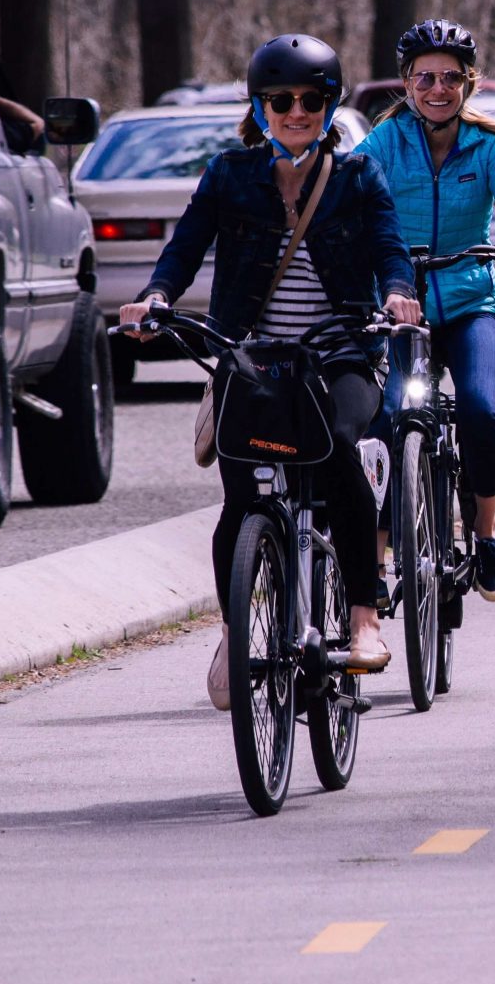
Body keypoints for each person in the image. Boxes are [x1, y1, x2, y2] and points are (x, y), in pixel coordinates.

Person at [119, 34, 420, 709]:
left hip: (339, 352)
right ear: (258, 108)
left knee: (338, 450)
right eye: (279, 101)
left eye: (310, 101)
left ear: (329, 106)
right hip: (250, 359)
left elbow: (389, 248)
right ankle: (235, 627)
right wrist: (158, 300)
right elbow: (185, 247)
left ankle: (363, 619)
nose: (295, 112)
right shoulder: (230, 175)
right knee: (244, 500)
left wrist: (398, 292)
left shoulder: (356, 177)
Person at [359, 18, 495, 601]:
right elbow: (352, 193)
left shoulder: (491, 145)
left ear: (469, 82)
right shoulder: (385, 143)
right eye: (424, 79)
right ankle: (377, 556)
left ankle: (487, 535)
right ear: (406, 84)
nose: (437, 90)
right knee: (388, 417)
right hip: (400, 306)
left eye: (449, 78)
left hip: (470, 303)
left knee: (478, 412)